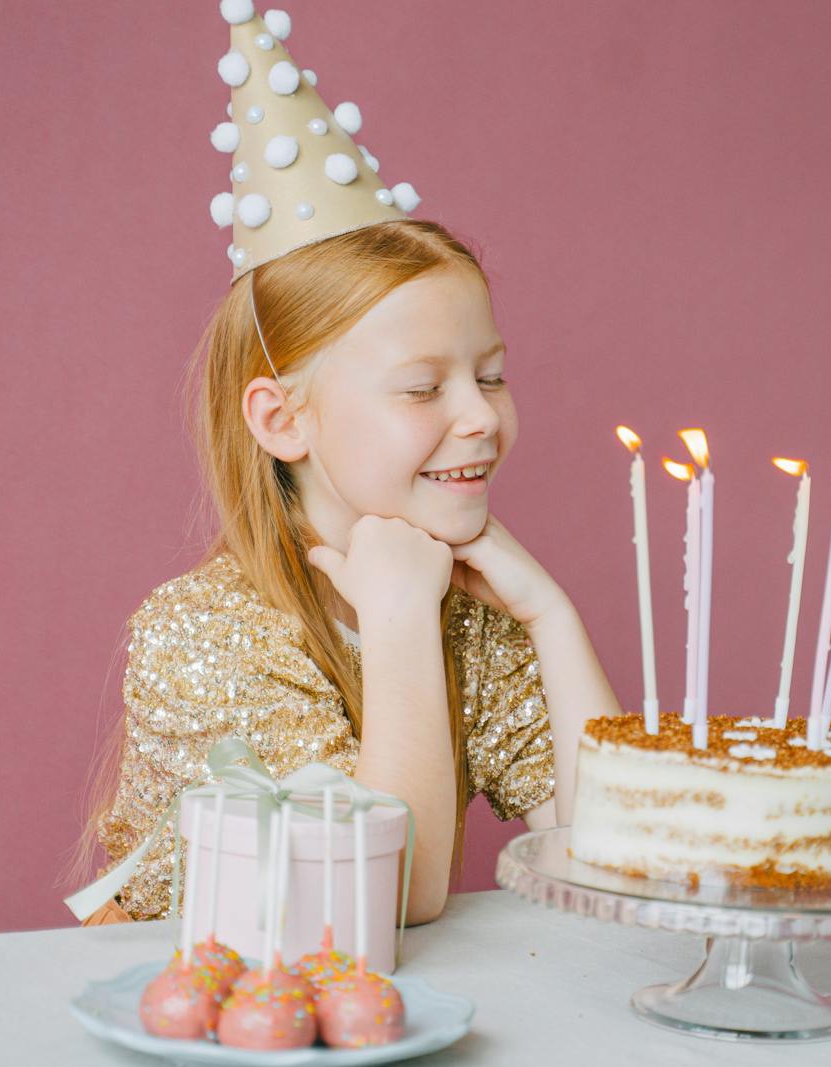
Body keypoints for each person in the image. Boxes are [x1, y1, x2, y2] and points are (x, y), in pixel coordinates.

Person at [61, 4, 619, 927]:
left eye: (491, 375)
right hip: (207, 1017)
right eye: (421, 388)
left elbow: (613, 848)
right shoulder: (203, 631)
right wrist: (398, 618)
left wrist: (552, 615)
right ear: (284, 420)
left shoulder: (473, 613)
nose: (482, 416)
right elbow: (390, 896)